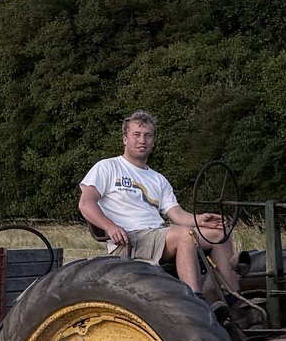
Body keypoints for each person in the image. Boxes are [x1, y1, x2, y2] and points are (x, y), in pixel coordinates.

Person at [78, 109, 238, 296]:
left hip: (158, 236)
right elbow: (86, 203)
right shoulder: (108, 167)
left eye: (148, 136)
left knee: (220, 233)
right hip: (129, 240)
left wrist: (200, 220)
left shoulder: (158, 179)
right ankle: (195, 299)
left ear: (153, 142)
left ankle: (232, 297)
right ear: (125, 139)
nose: (142, 140)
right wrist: (110, 227)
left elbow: (177, 215)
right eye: (136, 135)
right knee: (185, 235)